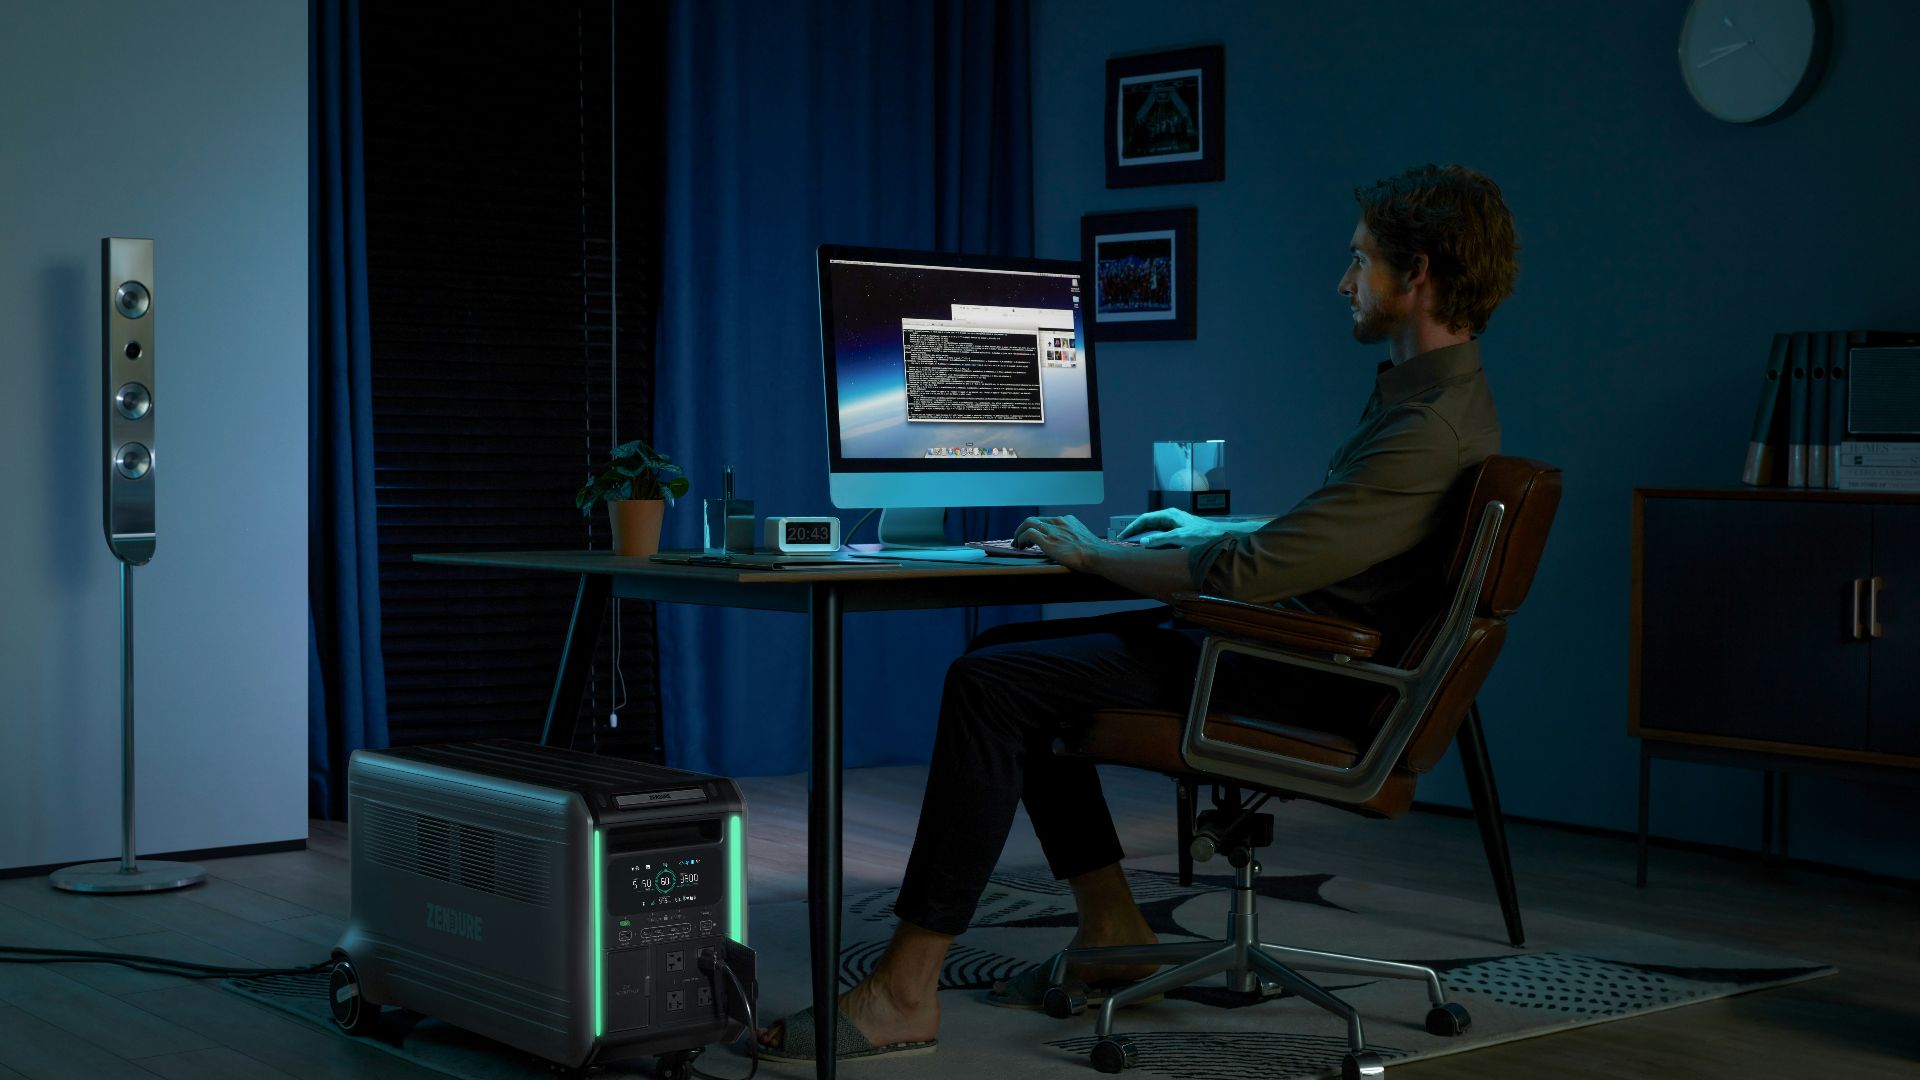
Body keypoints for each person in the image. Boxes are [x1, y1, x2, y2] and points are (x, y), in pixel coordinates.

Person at [760, 163, 1519, 1062]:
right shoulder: (1439, 404)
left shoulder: (1423, 428)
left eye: (1358, 261)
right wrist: (1212, 522)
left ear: (1417, 270)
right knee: (1011, 655)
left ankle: (904, 989)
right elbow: (1351, 532)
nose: (1342, 281)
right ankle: (1114, 928)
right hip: (1318, 663)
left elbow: (1245, 575)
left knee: (990, 683)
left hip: (1300, 677)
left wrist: (1090, 554)